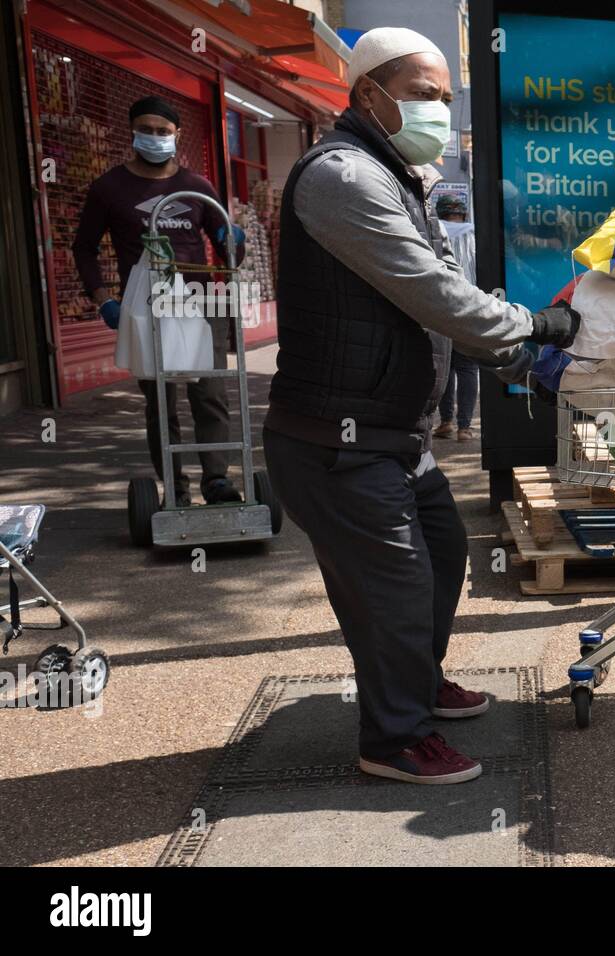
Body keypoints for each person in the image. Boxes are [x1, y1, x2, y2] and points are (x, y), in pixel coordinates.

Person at [262, 28, 579, 786]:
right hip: (337, 439)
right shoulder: (344, 177)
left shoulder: (399, 175)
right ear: (369, 94)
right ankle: (394, 738)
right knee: (394, 588)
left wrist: (527, 358)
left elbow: (451, 302)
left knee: (442, 556)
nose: (439, 110)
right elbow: (434, 293)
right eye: (424, 95)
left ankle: (415, 684)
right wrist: (535, 329)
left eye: (445, 97)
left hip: (391, 435)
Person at [74, 96, 246, 507]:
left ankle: (217, 480)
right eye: (146, 129)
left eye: (162, 131)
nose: (154, 137)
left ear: (177, 135)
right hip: (149, 304)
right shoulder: (108, 189)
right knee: (160, 401)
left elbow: (228, 253)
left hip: (201, 302)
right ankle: (175, 488)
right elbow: (84, 249)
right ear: (132, 132)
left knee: (209, 394)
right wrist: (103, 300)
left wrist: (231, 241)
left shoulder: (197, 187)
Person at [431, 193, 480, 442]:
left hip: (441, 308)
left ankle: (446, 422)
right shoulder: (475, 235)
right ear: (463, 213)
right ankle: (465, 428)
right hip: (470, 308)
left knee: (446, 367)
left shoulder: (432, 233)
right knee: (468, 367)